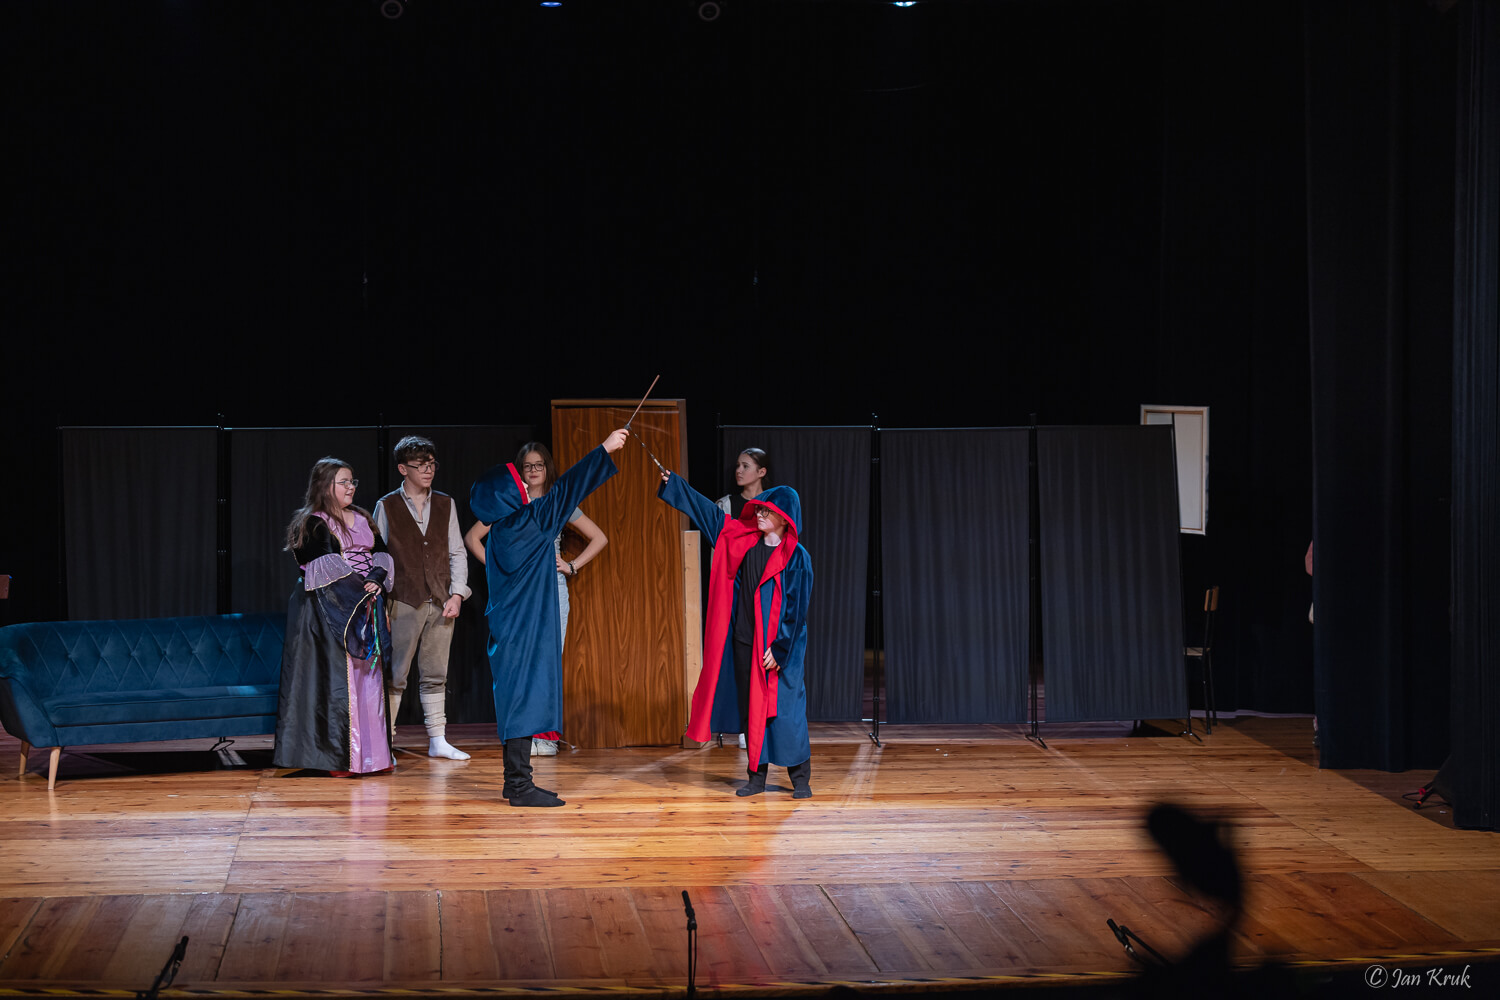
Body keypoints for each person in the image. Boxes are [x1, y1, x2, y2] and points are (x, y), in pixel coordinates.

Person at [470, 428, 628, 806]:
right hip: (525, 626)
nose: (526, 485)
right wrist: (605, 448)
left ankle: (516, 781)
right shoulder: (532, 520)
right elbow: (569, 487)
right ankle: (519, 786)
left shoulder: (502, 530)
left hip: (509, 626)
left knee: (516, 697)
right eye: (519, 482)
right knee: (524, 698)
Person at [658, 469, 814, 798]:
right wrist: (676, 486)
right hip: (746, 641)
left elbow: (797, 609)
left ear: (784, 518)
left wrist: (781, 649)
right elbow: (711, 516)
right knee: (751, 711)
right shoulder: (743, 541)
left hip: (780, 649)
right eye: (759, 509)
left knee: (786, 714)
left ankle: (800, 779)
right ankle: (756, 778)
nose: (759, 514)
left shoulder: (797, 557)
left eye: (767, 511)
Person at [274, 458, 396, 777]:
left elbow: (381, 553)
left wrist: (377, 578)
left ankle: (374, 757)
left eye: (352, 481)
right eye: (344, 482)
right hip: (329, 610)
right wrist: (363, 588)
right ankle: (342, 758)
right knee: (339, 680)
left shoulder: (363, 518)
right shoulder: (313, 523)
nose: (350, 487)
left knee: (368, 677)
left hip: (365, 604)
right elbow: (327, 568)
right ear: (325, 486)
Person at [373, 436, 472, 761]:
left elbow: (456, 551)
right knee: (395, 675)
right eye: (420, 466)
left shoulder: (445, 503)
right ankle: (383, 743)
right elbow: (377, 556)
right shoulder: (387, 505)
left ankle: (438, 739)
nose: (428, 471)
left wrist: (457, 594)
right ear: (403, 469)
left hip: (441, 600)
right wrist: (382, 604)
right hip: (403, 600)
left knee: (435, 674)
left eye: (432, 465)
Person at [716, 447, 770, 520]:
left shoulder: (773, 503)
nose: (738, 470)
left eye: (745, 466)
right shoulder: (725, 504)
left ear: (761, 472)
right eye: (738, 465)